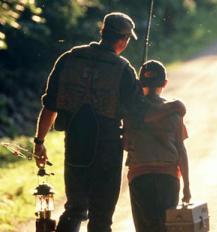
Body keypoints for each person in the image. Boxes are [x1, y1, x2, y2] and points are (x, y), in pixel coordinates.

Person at [32, 12, 185, 232]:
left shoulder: (69, 59)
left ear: (102, 32)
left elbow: (50, 106)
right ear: (123, 40)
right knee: (101, 217)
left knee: (74, 209)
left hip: (76, 147)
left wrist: (39, 141)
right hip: (107, 152)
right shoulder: (122, 70)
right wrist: (174, 106)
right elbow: (142, 116)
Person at [124, 60, 191, 232]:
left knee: (145, 227)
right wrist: (187, 186)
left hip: (140, 177)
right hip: (168, 177)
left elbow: (125, 144)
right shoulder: (174, 112)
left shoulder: (131, 111)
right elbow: (181, 150)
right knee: (165, 227)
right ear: (165, 83)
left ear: (140, 84)